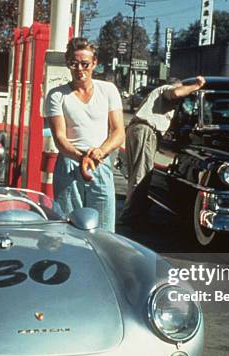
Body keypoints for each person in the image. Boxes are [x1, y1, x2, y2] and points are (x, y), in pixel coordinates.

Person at [44, 37, 125, 232]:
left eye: (85, 64)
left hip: (100, 163)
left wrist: (99, 152)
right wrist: (82, 158)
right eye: (74, 63)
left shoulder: (108, 90)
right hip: (70, 165)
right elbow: (60, 139)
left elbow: (118, 131)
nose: (80, 69)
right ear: (67, 63)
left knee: (104, 230)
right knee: (68, 227)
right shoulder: (56, 95)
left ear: (95, 63)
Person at [120, 76, 206, 225]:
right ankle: (131, 217)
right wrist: (196, 86)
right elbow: (176, 93)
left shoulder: (157, 97)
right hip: (146, 131)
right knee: (141, 175)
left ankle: (136, 212)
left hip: (137, 130)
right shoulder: (166, 90)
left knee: (137, 174)